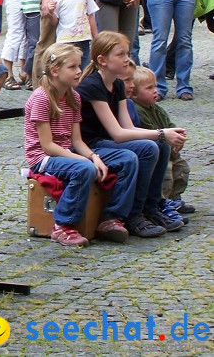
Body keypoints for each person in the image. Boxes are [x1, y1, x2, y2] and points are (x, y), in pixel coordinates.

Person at [23, 43, 137, 247]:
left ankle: (111, 218)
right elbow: (48, 146)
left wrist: (94, 156)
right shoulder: (41, 99)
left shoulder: (74, 97)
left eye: (78, 66)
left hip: (68, 151)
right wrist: (86, 160)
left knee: (127, 158)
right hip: (43, 158)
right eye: (73, 67)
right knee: (84, 169)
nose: (78, 72)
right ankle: (63, 225)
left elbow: (77, 140)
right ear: (55, 71)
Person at [76, 32, 185, 237]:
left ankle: (151, 209)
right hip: (91, 146)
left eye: (127, 53)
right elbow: (117, 134)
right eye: (120, 54)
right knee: (147, 148)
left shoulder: (117, 83)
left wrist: (163, 135)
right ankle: (128, 215)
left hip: (106, 142)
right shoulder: (92, 85)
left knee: (160, 145)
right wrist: (161, 133)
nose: (127, 58)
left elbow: (129, 127)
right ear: (102, 61)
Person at [130, 66, 193, 219]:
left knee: (181, 169)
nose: (155, 90)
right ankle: (161, 202)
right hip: (159, 148)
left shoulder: (156, 108)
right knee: (165, 175)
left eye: (156, 86)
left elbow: (168, 124)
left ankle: (174, 198)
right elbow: (147, 132)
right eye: (149, 88)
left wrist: (178, 133)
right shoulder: (137, 110)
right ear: (134, 93)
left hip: (169, 147)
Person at [49, 0, 99, 69]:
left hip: (84, 38)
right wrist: (51, 13)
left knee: (85, 66)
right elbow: (54, 22)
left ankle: (82, 86)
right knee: (68, 67)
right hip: (66, 40)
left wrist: (96, 36)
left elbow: (91, 15)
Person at [16, 0, 41, 88]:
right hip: (32, 4)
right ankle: (29, 74)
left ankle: (29, 72)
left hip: (51, 2)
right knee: (34, 43)